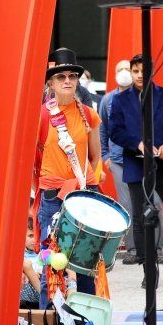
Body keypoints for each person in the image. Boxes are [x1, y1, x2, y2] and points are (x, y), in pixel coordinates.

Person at [104, 54, 163, 269]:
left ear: (152, 72)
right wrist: (136, 143)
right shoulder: (119, 100)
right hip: (135, 163)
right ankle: (147, 266)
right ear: (130, 72)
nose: (139, 75)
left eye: (143, 71)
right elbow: (115, 132)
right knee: (139, 214)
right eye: (135, 71)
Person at [32, 48, 105, 274]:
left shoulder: (88, 114)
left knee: (85, 260)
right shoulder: (40, 115)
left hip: (85, 191)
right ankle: (48, 308)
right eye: (61, 77)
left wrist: (80, 181)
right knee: (50, 261)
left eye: (72, 76)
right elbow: (34, 159)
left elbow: (95, 157)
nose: (68, 81)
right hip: (53, 194)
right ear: (51, 84)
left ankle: (84, 307)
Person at [96, 62, 135, 260]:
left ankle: (155, 248)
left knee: (148, 201)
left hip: (140, 157)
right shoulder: (107, 100)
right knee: (126, 203)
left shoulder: (141, 96)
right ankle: (131, 248)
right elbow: (102, 129)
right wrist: (105, 156)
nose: (124, 73)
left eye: (128, 69)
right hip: (118, 158)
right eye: (120, 70)